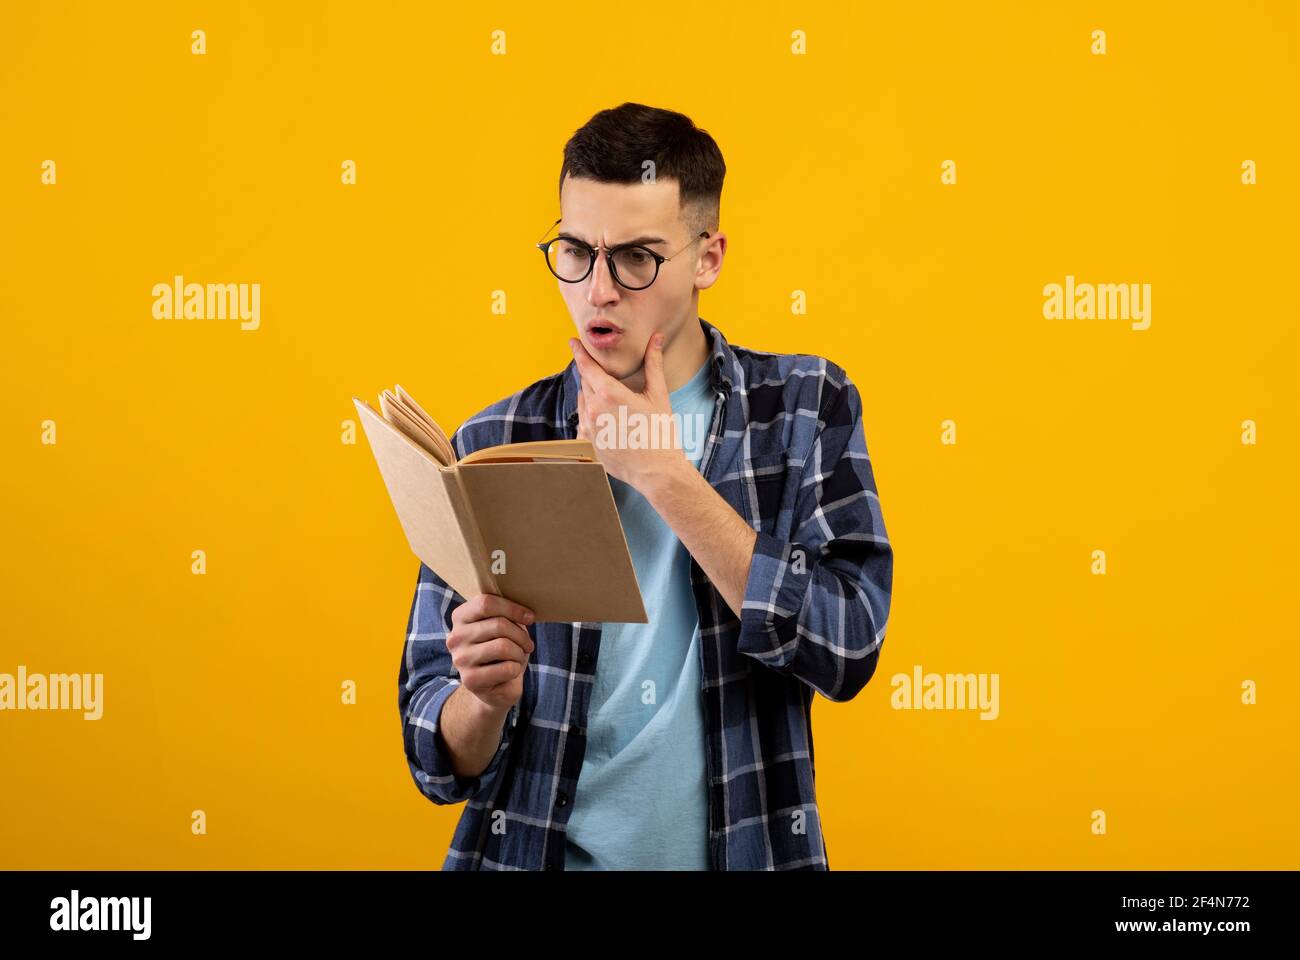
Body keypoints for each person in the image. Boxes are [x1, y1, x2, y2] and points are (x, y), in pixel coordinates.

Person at [397, 101, 893, 870]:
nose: (598, 290)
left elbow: (849, 644)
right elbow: (434, 754)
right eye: (575, 251)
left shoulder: (803, 408)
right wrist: (483, 701)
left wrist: (666, 477)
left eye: (636, 257)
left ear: (708, 257)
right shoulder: (491, 444)